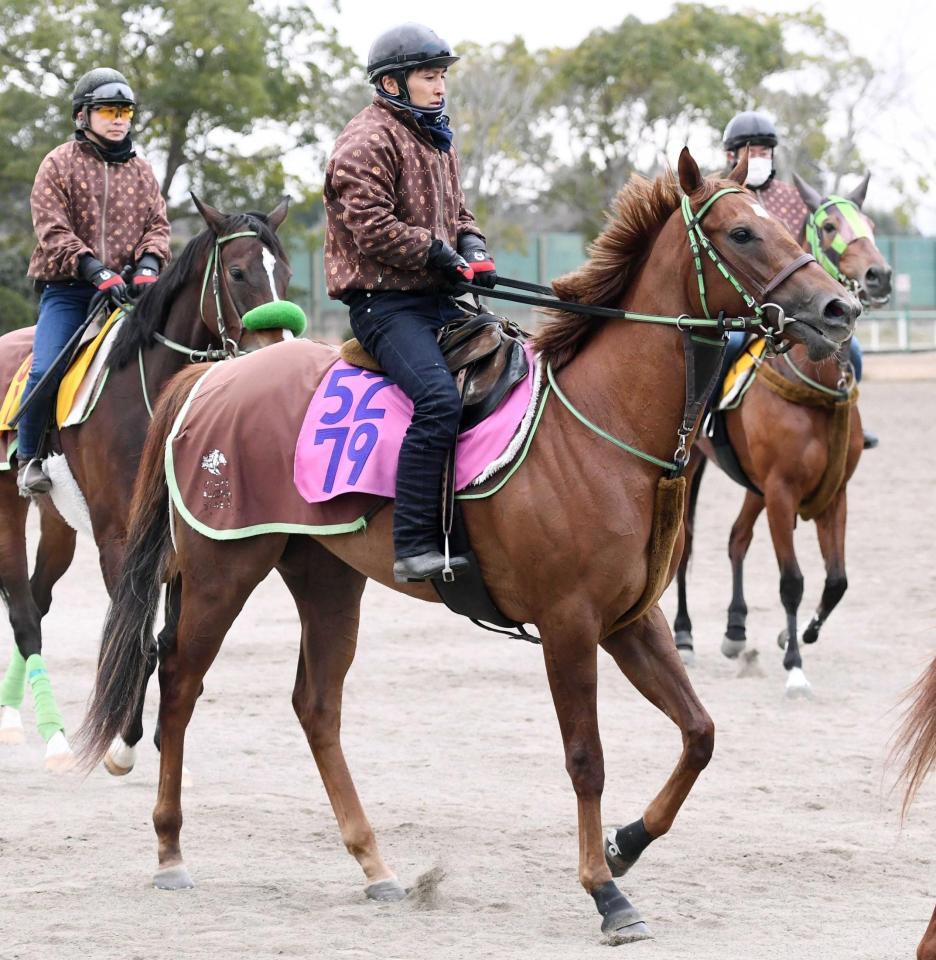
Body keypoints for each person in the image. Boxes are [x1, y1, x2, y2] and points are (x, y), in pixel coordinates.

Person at [323, 23, 497, 583]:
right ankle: (414, 541)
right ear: (392, 84)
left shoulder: (436, 138)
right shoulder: (365, 139)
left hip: (438, 298)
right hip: (385, 308)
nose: (440, 85)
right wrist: (439, 253)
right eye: (429, 76)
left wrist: (473, 248)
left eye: (442, 75)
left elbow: (459, 213)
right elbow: (371, 226)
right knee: (439, 402)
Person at [20, 67, 171, 495]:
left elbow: (158, 226)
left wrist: (148, 265)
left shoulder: (143, 171)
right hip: (70, 291)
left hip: (130, 293)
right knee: (45, 368)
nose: (119, 119)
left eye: (125, 111)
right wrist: (94, 269)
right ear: (82, 116)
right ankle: (29, 458)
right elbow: (51, 229)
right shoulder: (58, 163)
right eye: (108, 110)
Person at [722, 111, 877, 448]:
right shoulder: (724, 197)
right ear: (731, 155)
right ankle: (705, 420)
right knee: (727, 347)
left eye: (764, 151)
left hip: (793, 304)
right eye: (751, 151)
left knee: (853, 349)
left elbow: (815, 248)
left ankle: (850, 420)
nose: (759, 157)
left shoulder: (795, 198)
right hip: (742, 305)